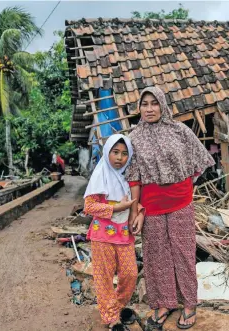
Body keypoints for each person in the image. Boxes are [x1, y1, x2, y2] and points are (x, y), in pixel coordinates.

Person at [125, 87, 215, 330]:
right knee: (156, 256)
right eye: (145, 104)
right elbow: (133, 177)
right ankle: (164, 303)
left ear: (163, 105)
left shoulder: (180, 131)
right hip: (151, 206)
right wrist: (135, 210)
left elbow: (198, 162)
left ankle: (189, 304)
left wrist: (184, 186)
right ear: (139, 108)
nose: (150, 108)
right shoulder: (134, 138)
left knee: (183, 253)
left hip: (180, 202)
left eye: (154, 103)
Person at [83, 134, 145, 331]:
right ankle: (111, 318)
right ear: (107, 152)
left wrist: (140, 213)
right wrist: (116, 208)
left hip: (124, 233)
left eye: (125, 153)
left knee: (130, 274)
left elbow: (135, 203)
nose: (119, 158)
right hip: (102, 234)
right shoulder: (100, 174)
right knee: (104, 277)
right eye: (115, 152)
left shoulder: (128, 178)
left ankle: (116, 307)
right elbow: (89, 206)